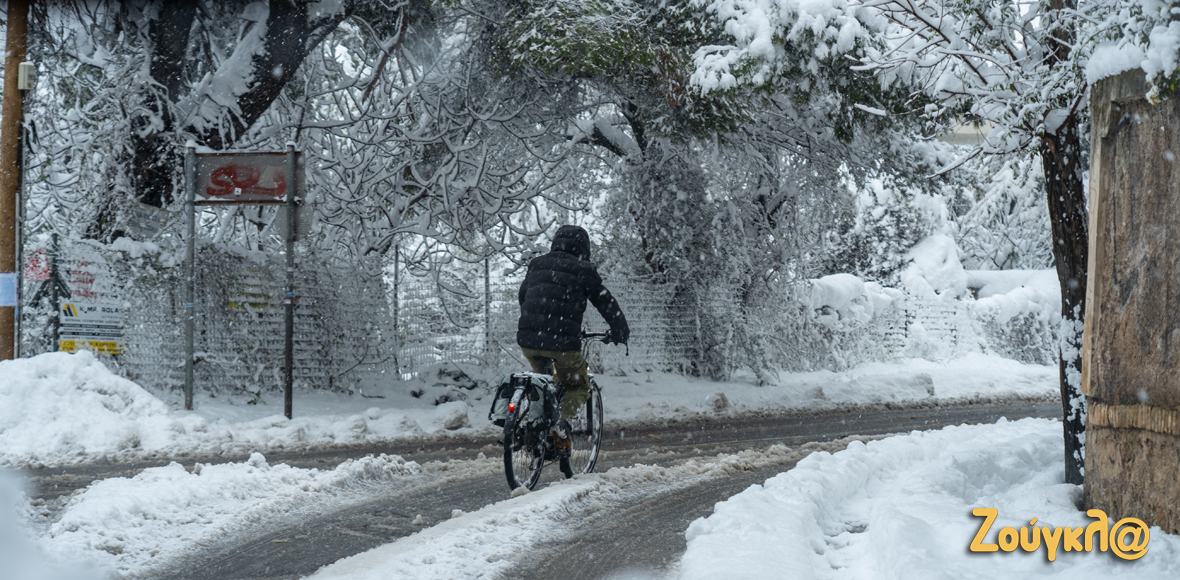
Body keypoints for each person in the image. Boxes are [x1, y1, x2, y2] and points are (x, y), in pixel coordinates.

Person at [517, 225, 629, 452]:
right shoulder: (583, 269)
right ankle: (561, 424)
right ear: (583, 248)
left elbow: (523, 296)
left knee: (540, 382)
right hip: (562, 345)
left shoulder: (536, 264)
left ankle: (533, 427)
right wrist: (620, 331)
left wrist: (537, 323)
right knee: (579, 385)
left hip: (529, 340)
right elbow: (605, 302)